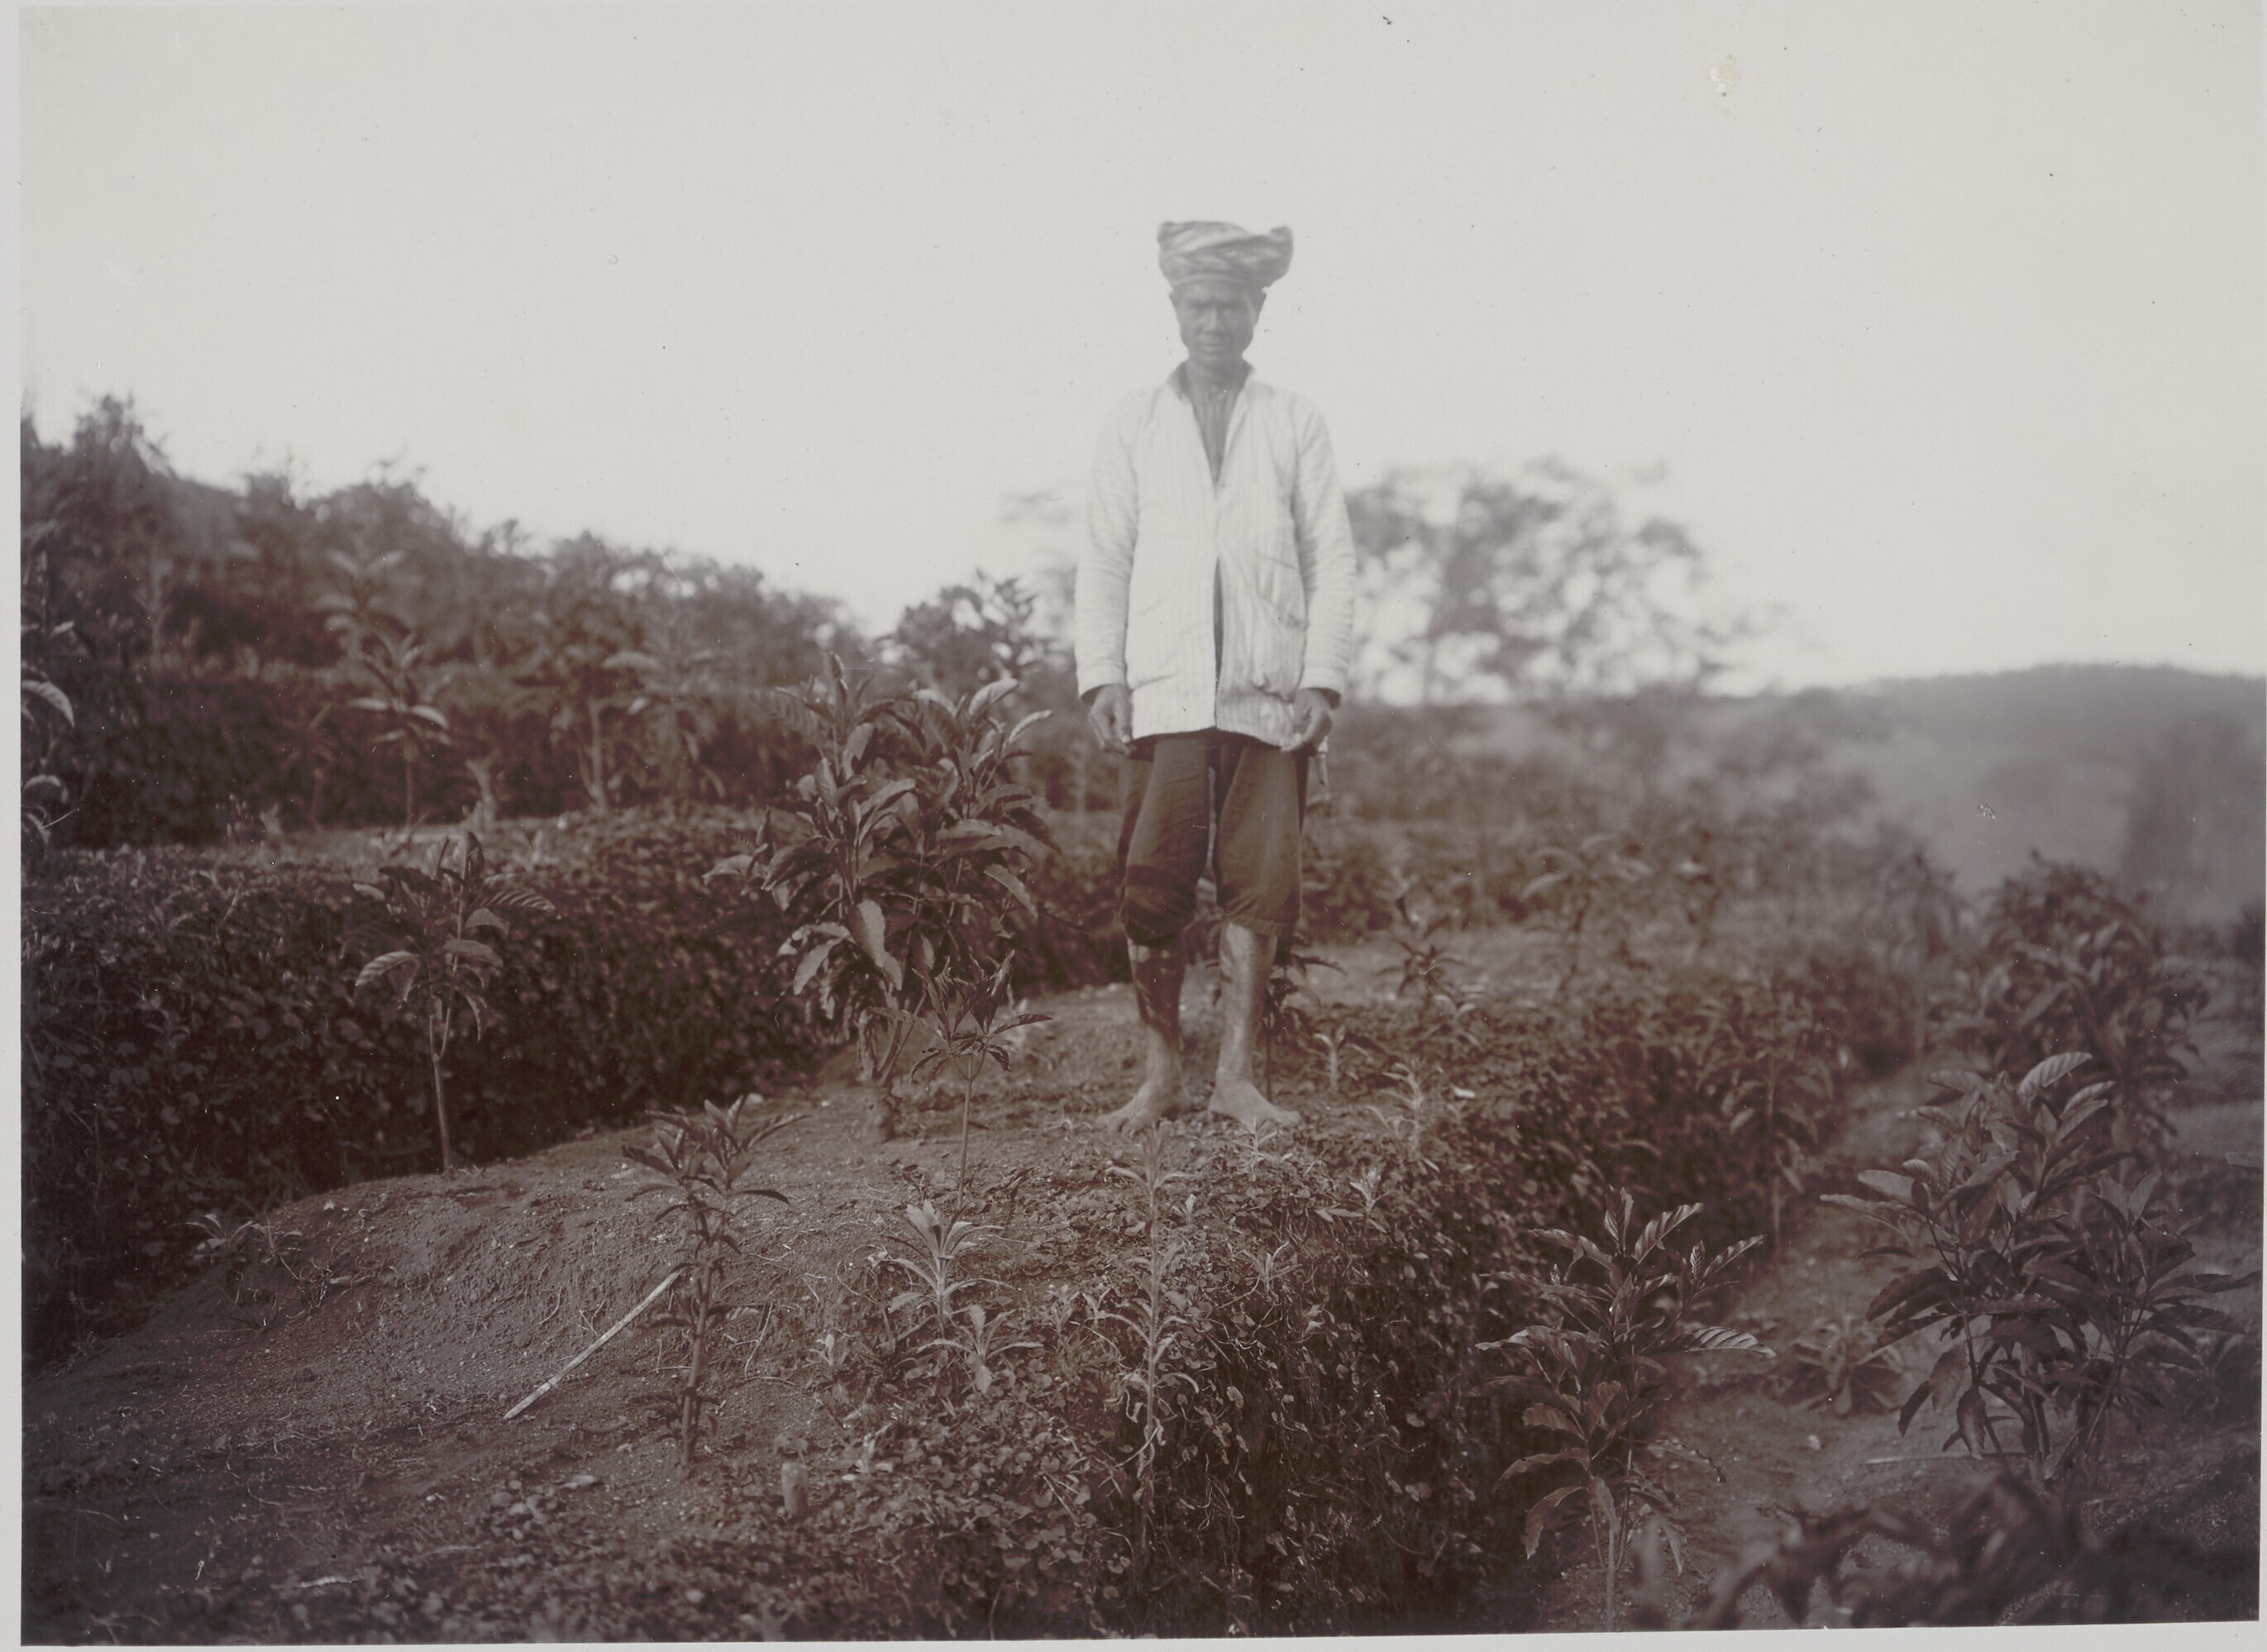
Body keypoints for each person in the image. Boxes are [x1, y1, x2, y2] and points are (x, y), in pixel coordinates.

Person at [1075, 220, 1358, 1132]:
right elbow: (1105, 557)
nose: (1213, 322)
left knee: (1260, 887)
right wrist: (1103, 676)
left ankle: (1235, 1077)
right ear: (1174, 306)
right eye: (1198, 304)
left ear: (1258, 309)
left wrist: (1321, 679)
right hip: (1164, 695)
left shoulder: (1293, 419)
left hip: (1268, 698)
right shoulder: (1133, 421)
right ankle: (1160, 1076)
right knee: (1152, 886)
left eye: (1231, 305)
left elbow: (1331, 558)